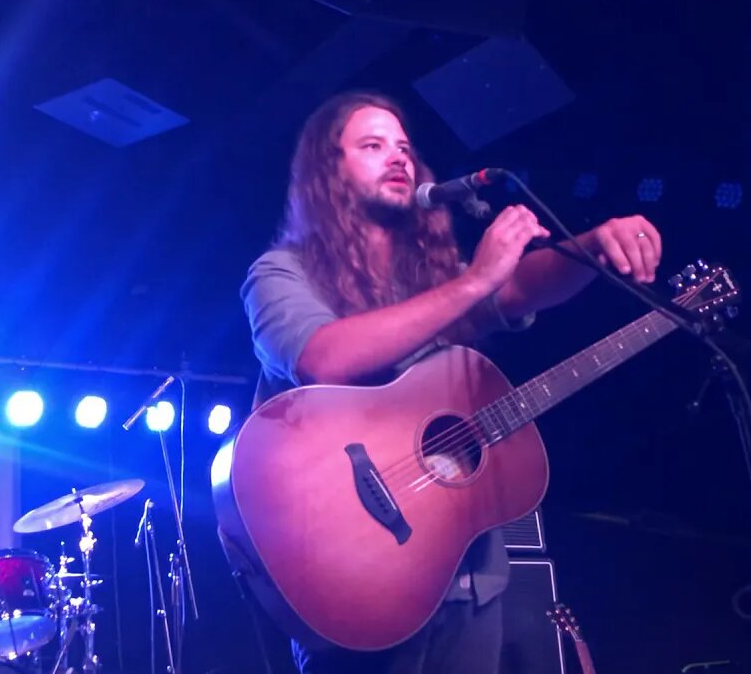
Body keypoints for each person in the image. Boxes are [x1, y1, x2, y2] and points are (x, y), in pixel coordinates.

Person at [239, 90, 663, 674]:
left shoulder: (432, 278)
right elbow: (323, 359)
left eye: (405, 148)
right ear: (326, 171)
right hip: (355, 576)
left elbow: (517, 288)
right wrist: (476, 280)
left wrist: (591, 245)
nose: (398, 159)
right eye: (372, 146)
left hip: (470, 580)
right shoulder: (281, 272)